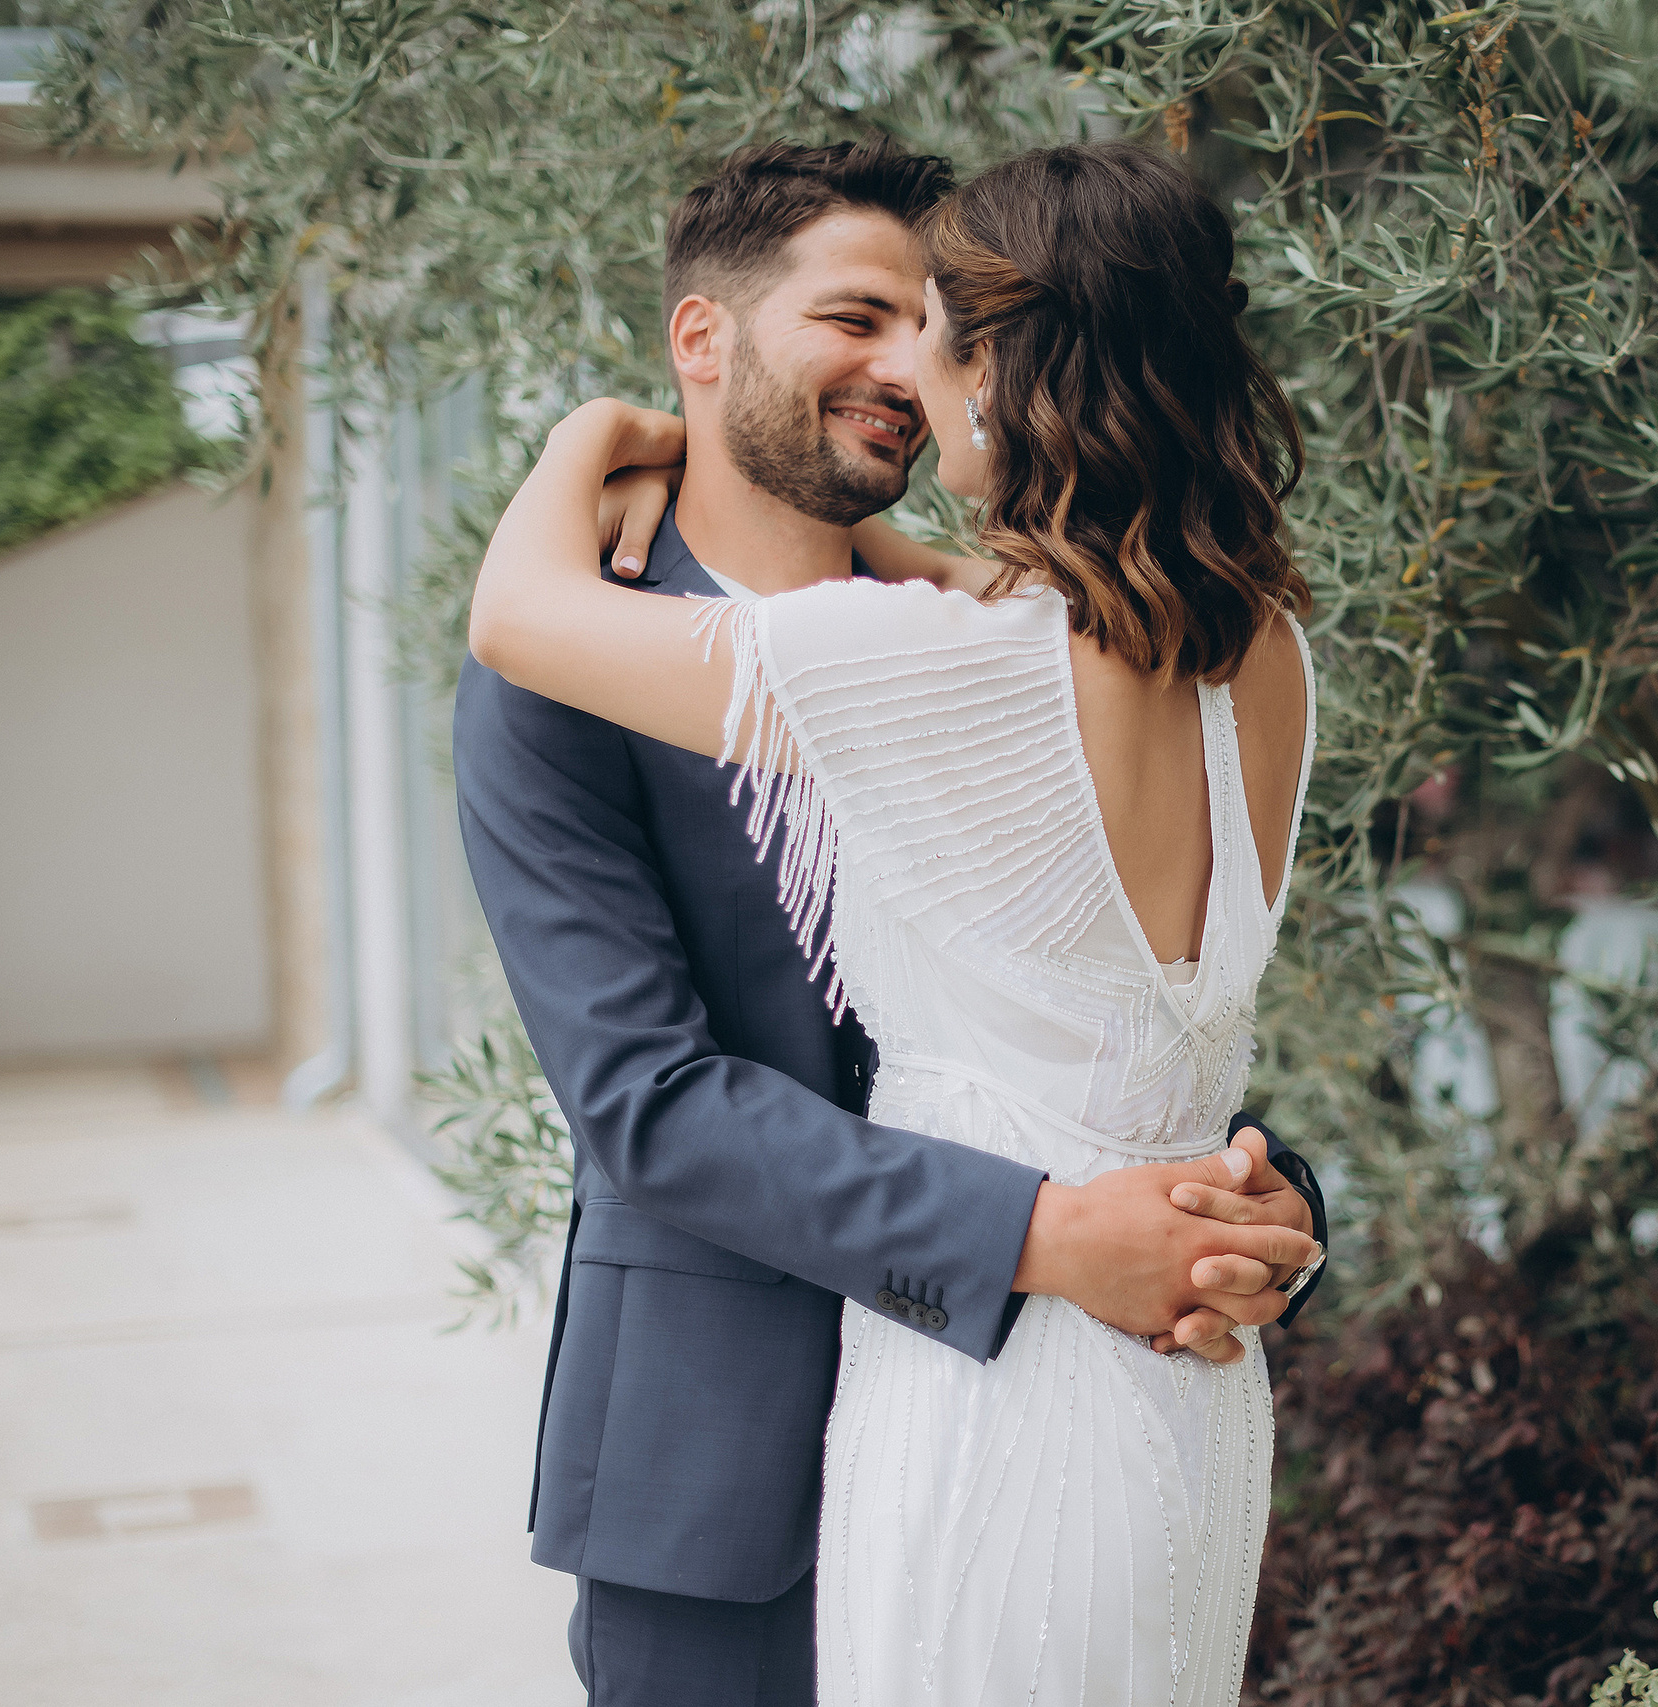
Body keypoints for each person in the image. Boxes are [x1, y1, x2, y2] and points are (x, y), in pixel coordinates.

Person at [451, 137, 1324, 1707]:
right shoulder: (583, 682)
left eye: (934, 319)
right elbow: (648, 1107)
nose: (903, 367)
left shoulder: (971, 650)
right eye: (858, 315)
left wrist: (1248, 1210)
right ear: (702, 341)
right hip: (723, 1487)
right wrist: (1067, 1237)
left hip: (1022, 1413)